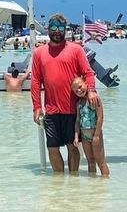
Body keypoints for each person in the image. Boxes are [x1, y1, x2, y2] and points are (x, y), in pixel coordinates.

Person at [31, 13, 100, 174]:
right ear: (48, 29)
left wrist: (91, 92)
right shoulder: (39, 53)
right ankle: (59, 185)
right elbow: (35, 82)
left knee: (72, 146)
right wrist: (37, 108)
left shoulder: (76, 50)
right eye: (53, 27)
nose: (57, 31)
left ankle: (73, 183)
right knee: (52, 148)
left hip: (73, 111)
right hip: (52, 110)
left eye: (60, 28)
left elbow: (88, 73)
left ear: (65, 30)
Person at [72, 77, 110, 177]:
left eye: (80, 87)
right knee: (90, 161)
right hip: (84, 137)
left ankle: (105, 183)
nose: (79, 91)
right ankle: (92, 186)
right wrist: (76, 136)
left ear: (86, 83)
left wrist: (97, 135)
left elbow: (100, 117)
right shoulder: (79, 103)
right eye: (76, 91)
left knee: (100, 162)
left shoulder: (94, 98)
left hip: (95, 135)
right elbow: (77, 121)